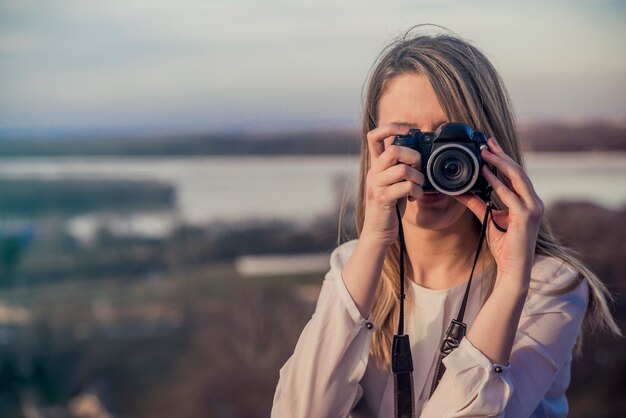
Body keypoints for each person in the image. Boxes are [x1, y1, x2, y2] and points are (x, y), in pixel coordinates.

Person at [270, 28, 621, 418]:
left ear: (493, 147)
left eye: (451, 139)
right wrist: (373, 240)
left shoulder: (547, 285)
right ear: (375, 149)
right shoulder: (353, 267)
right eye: (408, 139)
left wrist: (509, 284)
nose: (432, 163)